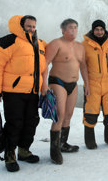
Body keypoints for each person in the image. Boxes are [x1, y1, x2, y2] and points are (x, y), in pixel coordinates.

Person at [0, 15, 47, 172]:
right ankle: (10, 155)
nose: (32, 29)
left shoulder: (39, 43)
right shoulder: (8, 41)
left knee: (31, 122)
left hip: (32, 92)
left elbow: (45, 65)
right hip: (13, 92)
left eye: (34, 26)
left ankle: (24, 151)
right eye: (28, 26)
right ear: (21, 26)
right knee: (15, 124)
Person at [42, 18, 90, 164]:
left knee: (68, 115)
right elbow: (45, 64)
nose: (73, 30)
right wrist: (44, 85)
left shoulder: (80, 47)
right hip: (58, 82)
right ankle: (54, 151)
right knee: (60, 114)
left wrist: (86, 84)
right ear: (63, 30)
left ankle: (63, 144)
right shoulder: (56, 43)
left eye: (75, 27)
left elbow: (83, 67)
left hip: (73, 84)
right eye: (70, 27)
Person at [82, 20, 108, 149]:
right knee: (91, 114)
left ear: (104, 30)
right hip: (92, 84)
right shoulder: (85, 45)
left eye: (101, 29)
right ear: (92, 30)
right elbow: (81, 65)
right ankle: (89, 140)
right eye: (97, 29)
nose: (99, 32)